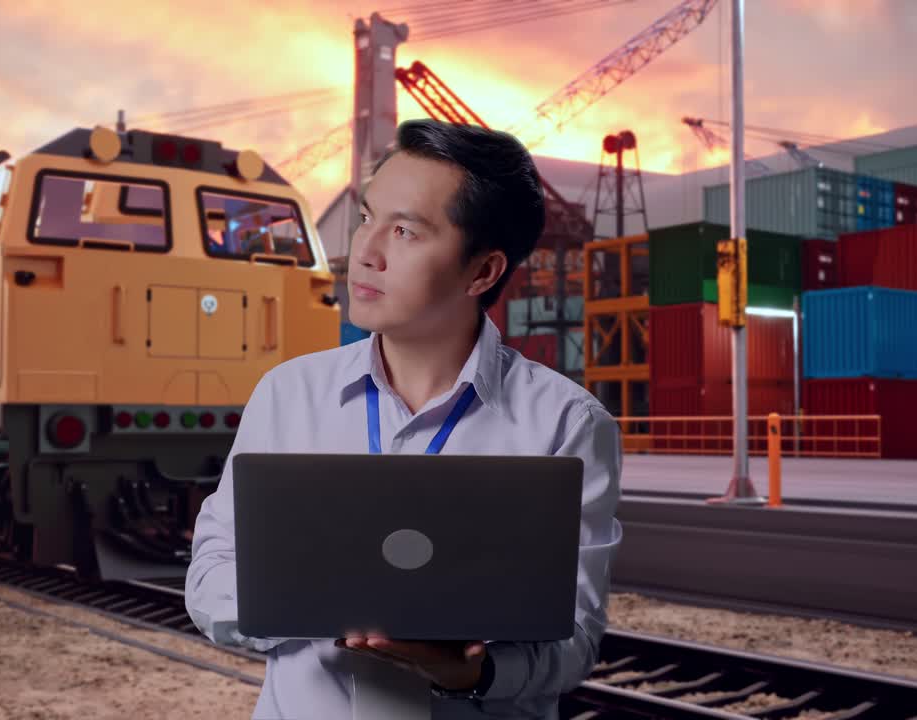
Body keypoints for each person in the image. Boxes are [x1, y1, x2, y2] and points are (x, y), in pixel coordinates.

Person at [185, 118, 624, 719]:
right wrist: (297, 604)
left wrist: (471, 671)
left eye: (404, 231)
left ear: (483, 272)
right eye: (367, 218)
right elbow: (209, 577)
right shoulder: (287, 395)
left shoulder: (566, 423)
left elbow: (573, 641)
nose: (365, 252)